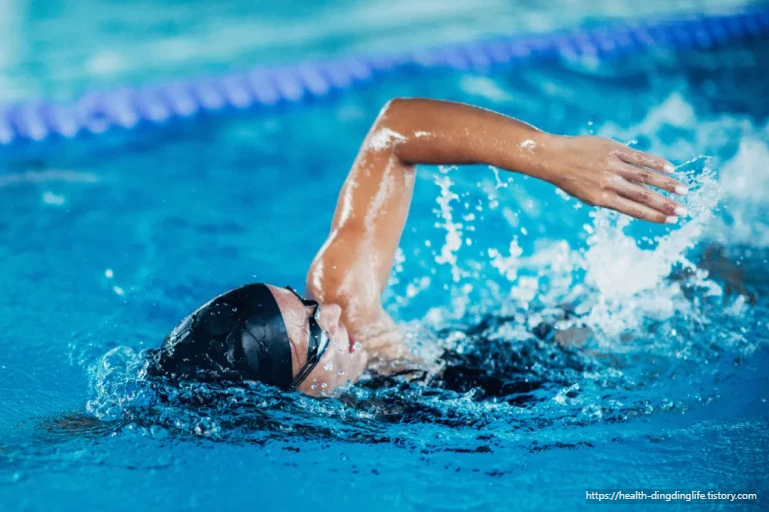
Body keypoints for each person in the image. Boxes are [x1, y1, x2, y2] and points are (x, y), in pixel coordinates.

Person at [149, 98, 688, 396]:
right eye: (313, 334)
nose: (332, 311)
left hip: (561, 342)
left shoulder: (350, 313)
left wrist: (549, 156)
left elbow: (395, 130)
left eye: (305, 303)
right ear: (284, 398)